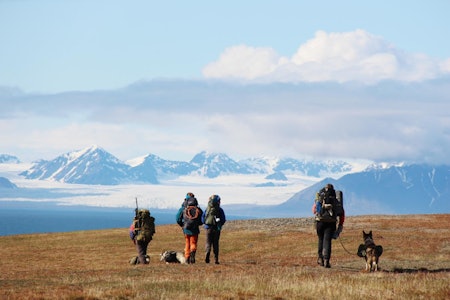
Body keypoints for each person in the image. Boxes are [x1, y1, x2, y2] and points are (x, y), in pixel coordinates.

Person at [312, 183, 345, 268]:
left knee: (320, 239)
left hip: (320, 222)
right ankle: (326, 260)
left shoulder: (320, 198)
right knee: (327, 240)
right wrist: (340, 226)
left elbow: (314, 210)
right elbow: (341, 213)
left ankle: (320, 259)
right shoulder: (335, 200)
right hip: (331, 223)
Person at [176, 192, 203, 264]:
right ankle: (192, 254)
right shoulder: (197, 209)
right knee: (193, 242)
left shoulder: (183, 208)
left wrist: (182, 224)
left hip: (186, 229)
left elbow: (177, 218)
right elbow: (202, 219)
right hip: (195, 229)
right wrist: (198, 223)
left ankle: (187, 258)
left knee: (187, 243)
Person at [202, 194, 226, 264]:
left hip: (208, 228)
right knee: (215, 244)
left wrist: (206, 224)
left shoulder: (207, 209)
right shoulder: (220, 210)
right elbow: (223, 220)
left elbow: (203, 219)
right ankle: (216, 259)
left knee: (208, 243)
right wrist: (219, 224)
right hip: (216, 229)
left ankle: (207, 254)